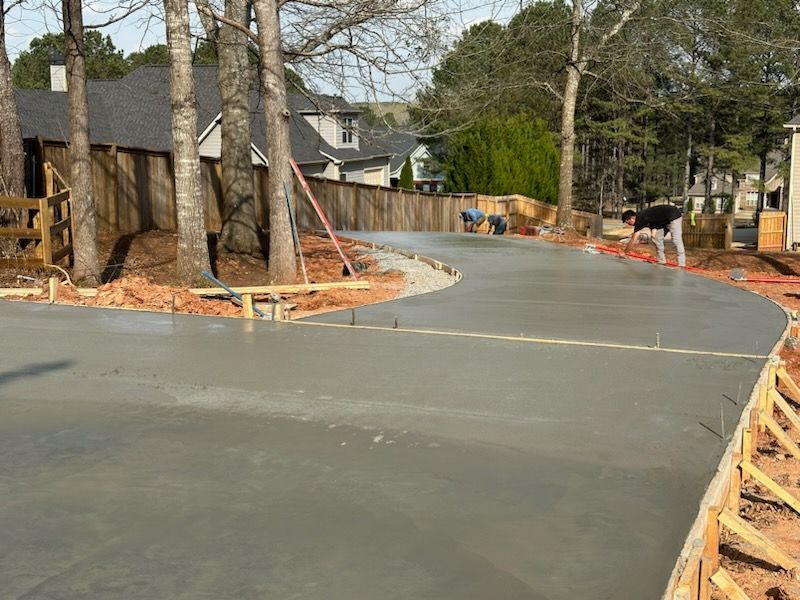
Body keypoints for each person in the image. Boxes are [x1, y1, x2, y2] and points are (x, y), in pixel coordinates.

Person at [621, 205, 685, 267]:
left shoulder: (640, 218)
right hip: (663, 221)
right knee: (657, 239)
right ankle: (661, 261)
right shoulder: (645, 216)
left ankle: (681, 264)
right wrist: (652, 234)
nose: (630, 225)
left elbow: (633, 239)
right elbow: (653, 224)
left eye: (629, 222)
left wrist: (624, 253)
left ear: (632, 218)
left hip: (674, 215)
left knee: (676, 240)